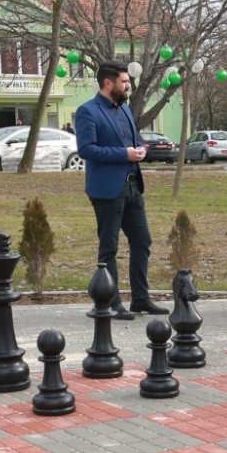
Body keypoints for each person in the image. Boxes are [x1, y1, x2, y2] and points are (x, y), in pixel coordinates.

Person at [75, 62, 164, 317]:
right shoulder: (87, 111)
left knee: (142, 241)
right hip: (106, 189)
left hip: (133, 185)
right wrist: (124, 154)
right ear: (108, 83)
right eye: (124, 82)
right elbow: (86, 149)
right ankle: (110, 302)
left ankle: (141, 299)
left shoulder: (124, 108)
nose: (128, 86)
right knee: (109, 247)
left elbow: (135, 139)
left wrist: (141, 149)